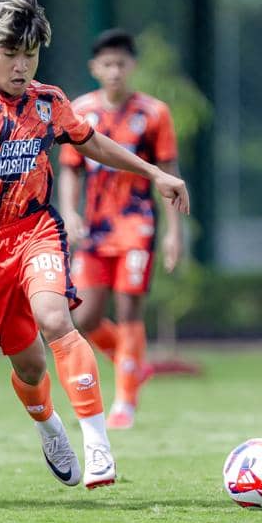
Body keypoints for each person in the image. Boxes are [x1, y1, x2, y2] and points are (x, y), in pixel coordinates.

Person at [0, 0, 190, 489]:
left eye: (31, 55)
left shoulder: (49, 101)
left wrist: (156, 174)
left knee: (56, 318)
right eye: (11, 54)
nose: (22, 66)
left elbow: (96, 144)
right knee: (29, 364)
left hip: (36, 230)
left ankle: (99, 444)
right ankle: (49, 425)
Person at [59, 29, 182, 430]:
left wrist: (172, 231)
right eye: (107, 64)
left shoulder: (154, 113)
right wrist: (69, 212)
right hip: (94, 230)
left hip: (136, 227)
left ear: (133, 67)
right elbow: (70, 170)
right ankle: (133, 365)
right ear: (95, 68)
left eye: (121, 64)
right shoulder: (80, 111)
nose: (114, 72)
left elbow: (168, 174)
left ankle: (125, 400)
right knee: (86, 318)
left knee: (129, 308)